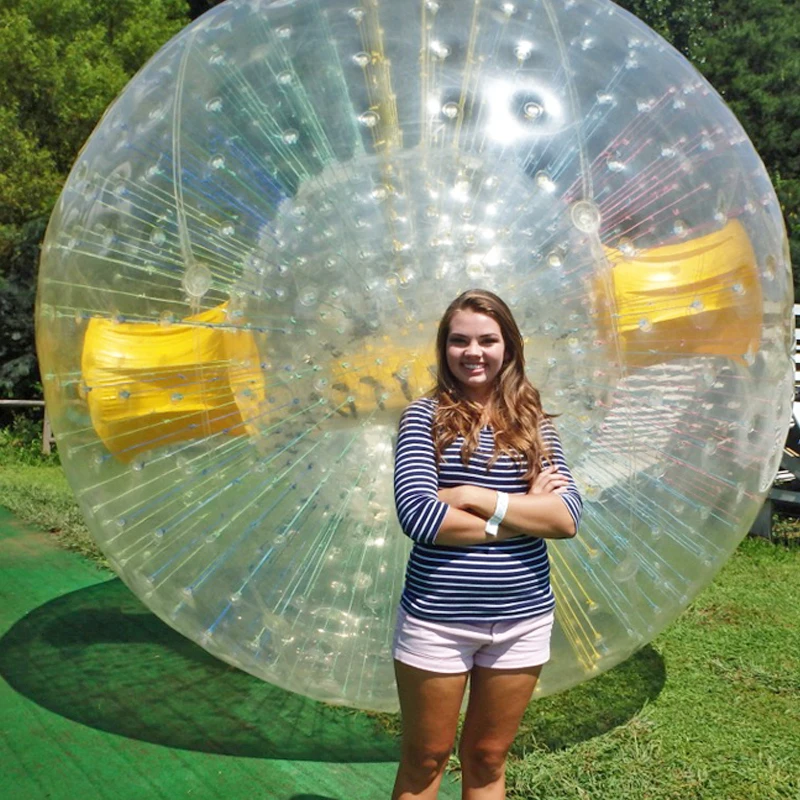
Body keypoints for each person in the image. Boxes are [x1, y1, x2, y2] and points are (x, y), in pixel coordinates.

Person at [392, 289, 583, 800]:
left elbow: (566, 517)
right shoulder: (422, 417)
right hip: (437, 619)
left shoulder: (533, 420)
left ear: (509, 346)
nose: (472, 352)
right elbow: (421, 516)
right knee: (425, 760)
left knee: (487, 757)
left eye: (487, 340)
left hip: (522, 619)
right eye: (459, 341)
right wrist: (522, 513)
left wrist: (475, 496)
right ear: (444, 348)